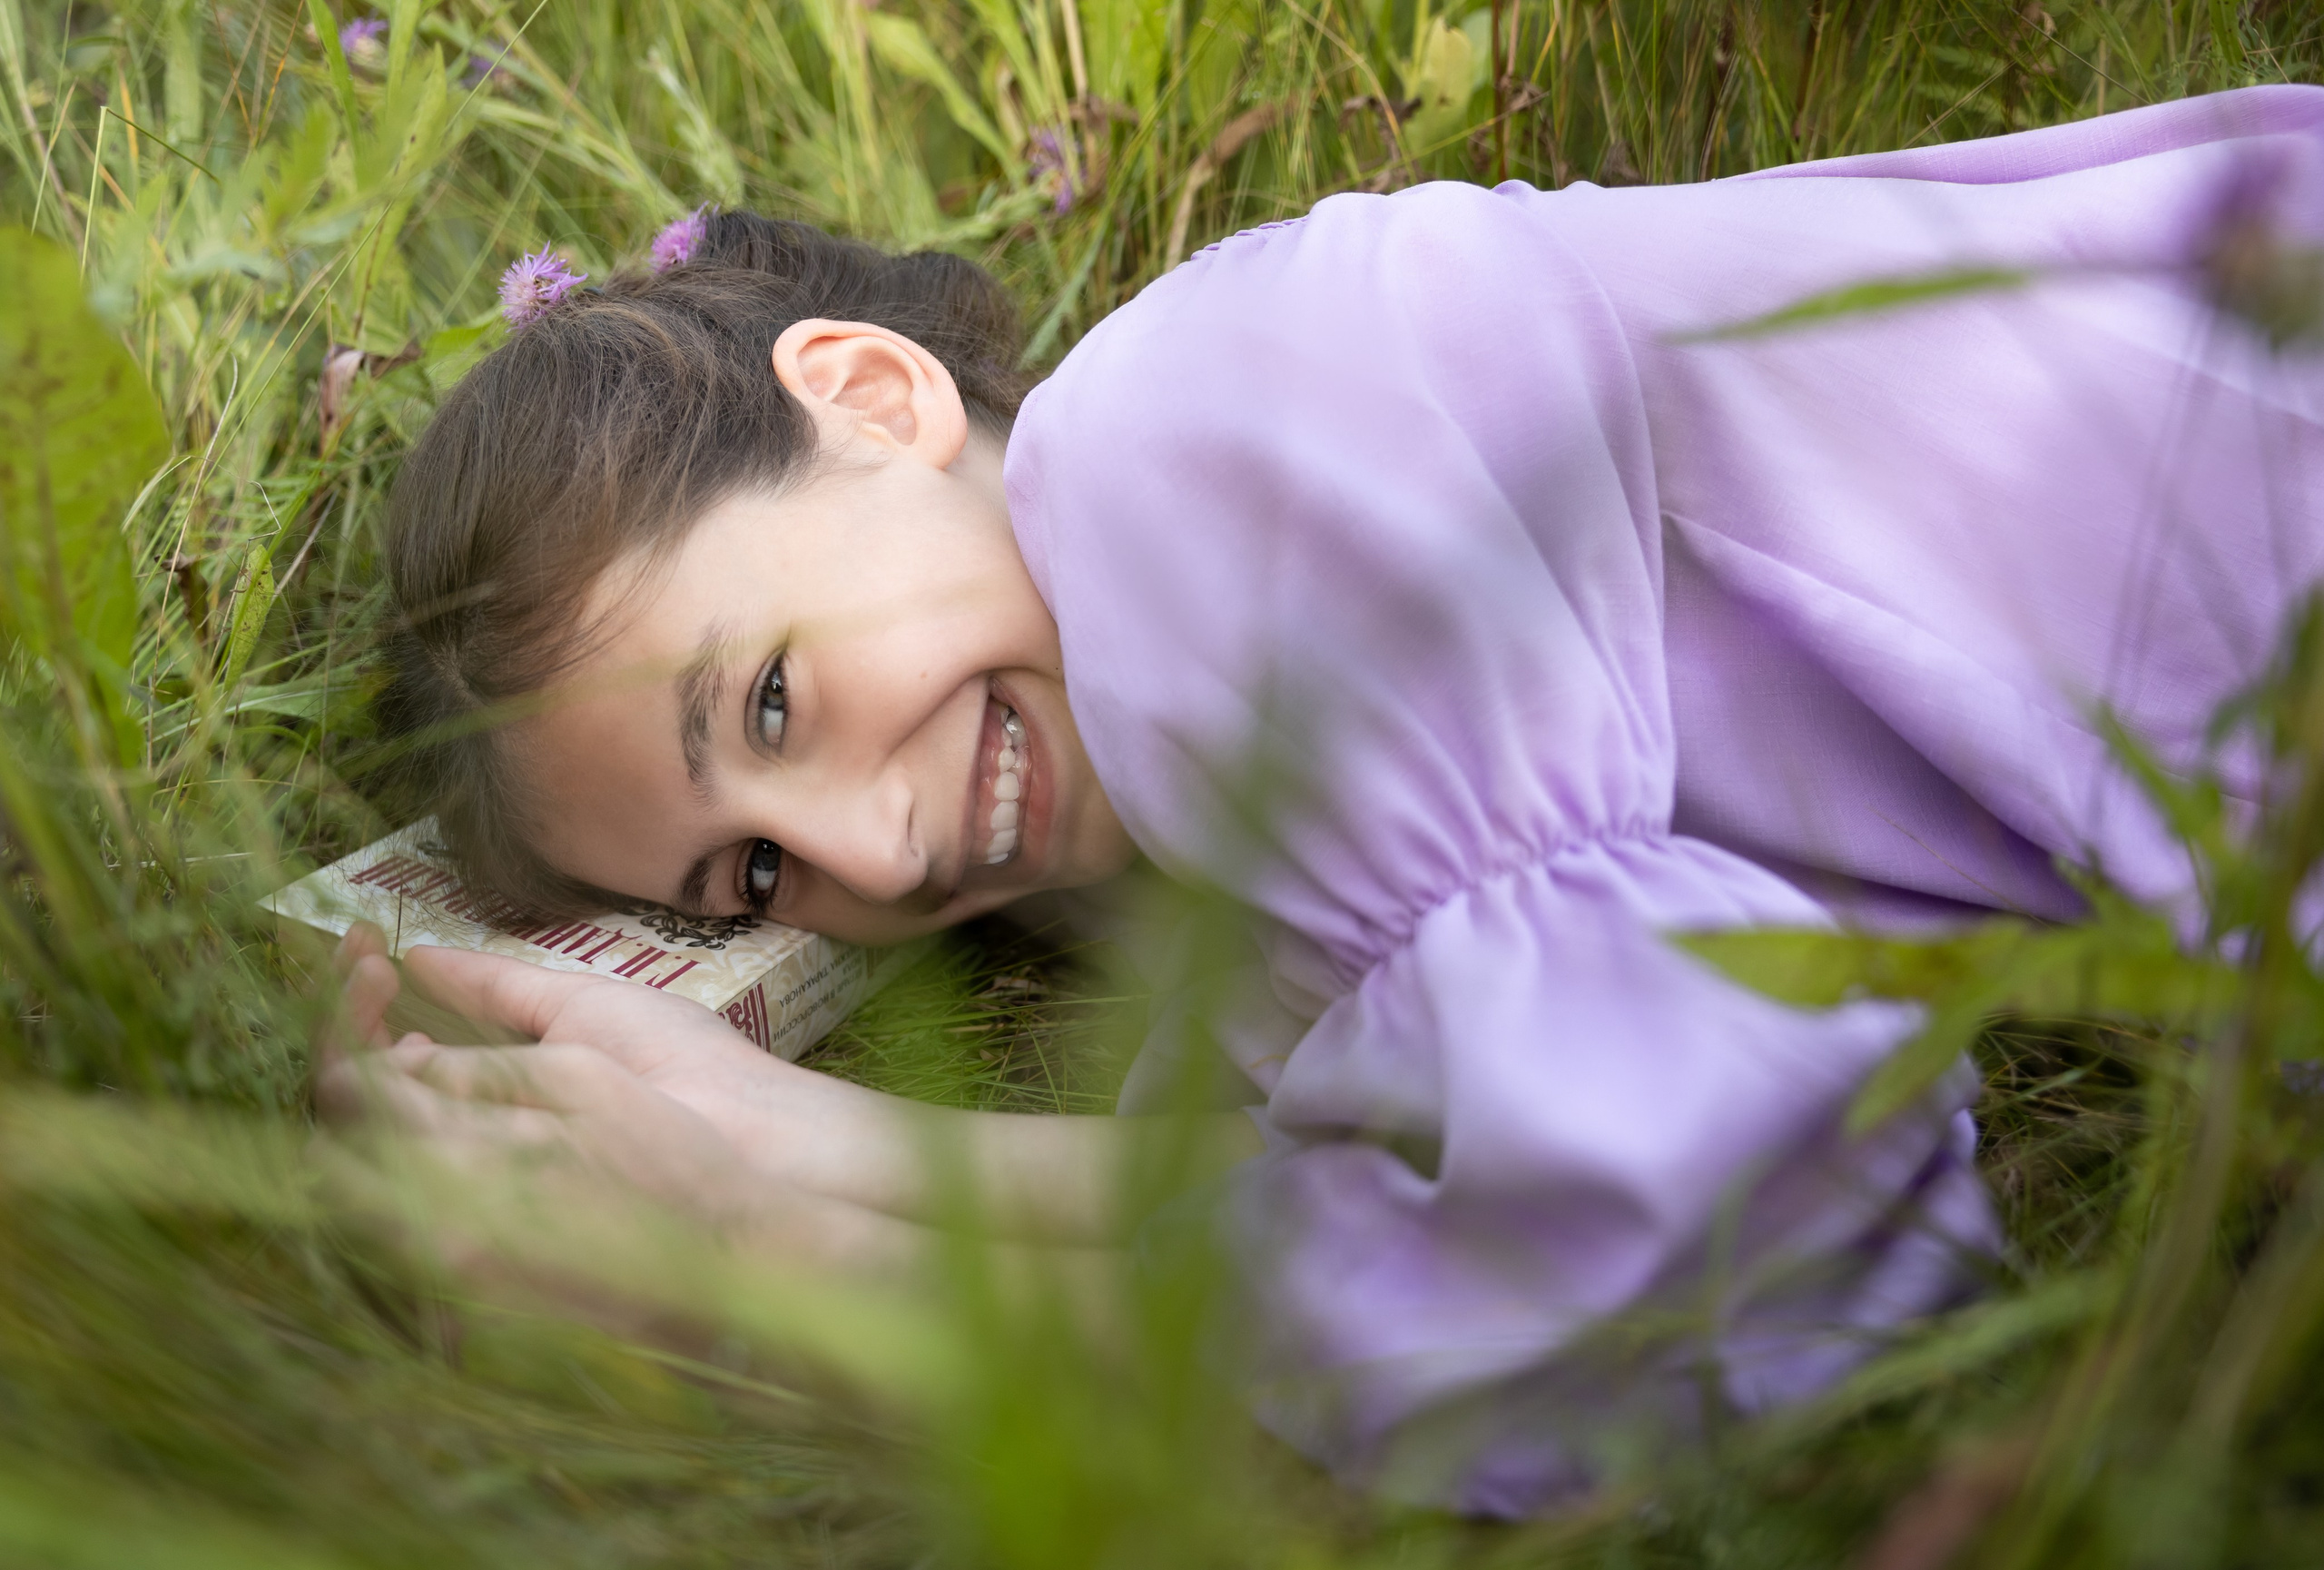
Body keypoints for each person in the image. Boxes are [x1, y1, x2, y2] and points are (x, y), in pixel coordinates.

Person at [323, 84, 2324, 1514]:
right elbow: (1372, 1196)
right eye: (751, 868)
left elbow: (1746, 1208)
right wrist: (760, 1127)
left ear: (866, 395)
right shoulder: (1246, 873)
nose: (880, 851)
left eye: (767, 698)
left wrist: (786, 1260)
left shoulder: (1183, 447)